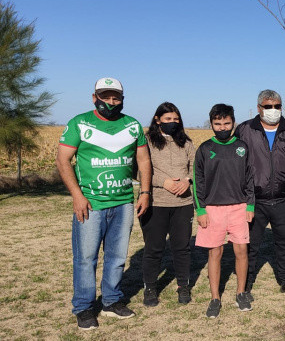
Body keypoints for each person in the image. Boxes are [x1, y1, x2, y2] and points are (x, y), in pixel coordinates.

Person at [56, 77, 152, 330]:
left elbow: (143, 160)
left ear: (122, 99)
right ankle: (84, 307)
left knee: (117, 256)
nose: (110, 101)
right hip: (91, 204)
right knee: (86, 258)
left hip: (123, 203)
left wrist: (144, 192)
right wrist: (77, 195)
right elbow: (63, 160)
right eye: (105, 96)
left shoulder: (132, 125)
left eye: (115, 97)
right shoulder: (79, 123)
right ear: (94, 98)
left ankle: (111, 301)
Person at [234, 89, 285, 298]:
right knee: (250, 245)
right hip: (254, 201)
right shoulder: (245, 130)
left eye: (277, 106)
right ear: (259, 108)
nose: (273, 110)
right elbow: (235, 163)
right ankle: (246, 282)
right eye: (268, 106)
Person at [193, 104, 255, 318]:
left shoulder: (242, 147)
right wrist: (200, 209)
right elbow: (198, 181)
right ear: (211, 124)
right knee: (215, 253)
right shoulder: (204, 149)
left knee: (241, 251)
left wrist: (250, 205)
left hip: (239, 207)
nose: (222, 127)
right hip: (212, 209)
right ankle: (215, 298)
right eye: (217, 123)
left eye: (226, 123)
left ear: (233, 123)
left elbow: (250, 177)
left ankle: (241, 293)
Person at [141, 102, 196, 307]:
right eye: (168, 119)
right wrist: (162, 182)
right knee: (154, 248)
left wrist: (187, 181)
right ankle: (150, 288)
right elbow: (137, 169)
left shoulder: (186, 142)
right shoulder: (146, 141)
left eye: (175, 119)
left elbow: (196, 166)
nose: (172, 122)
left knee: (182, 248)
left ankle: (183, 285)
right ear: (158, 120)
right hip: (156, 202)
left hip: (183, 203)